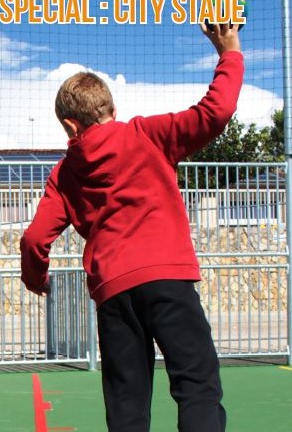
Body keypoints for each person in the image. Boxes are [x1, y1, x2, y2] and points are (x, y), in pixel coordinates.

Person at [20, 23, 242, 432]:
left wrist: (36, 278)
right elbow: (216, 111)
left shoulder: (64, 174)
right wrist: (228, 51)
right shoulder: (147, 135)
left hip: (113, 293)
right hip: (168, 280)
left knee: (127, 405)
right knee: (196, 385)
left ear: (71, 126)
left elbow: (35, 238)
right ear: (111, 108)